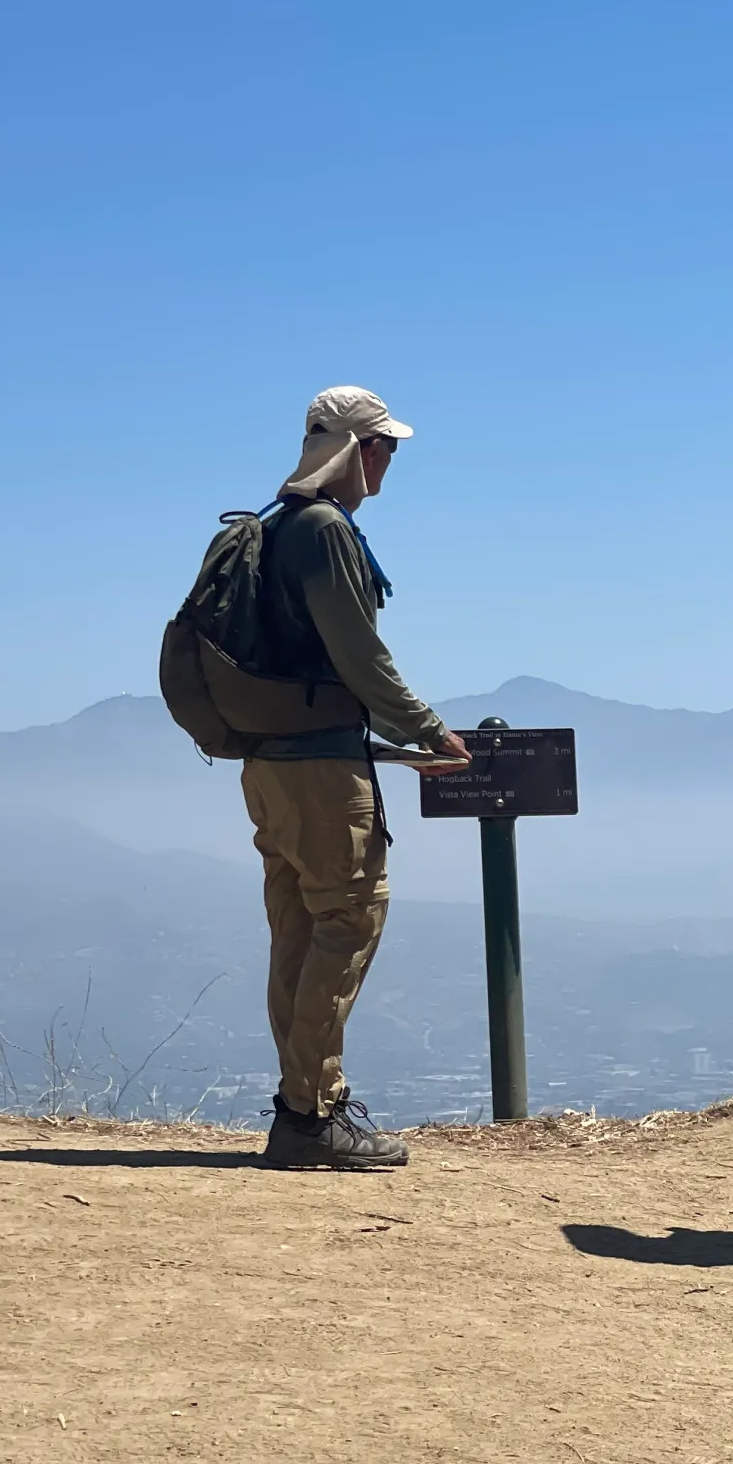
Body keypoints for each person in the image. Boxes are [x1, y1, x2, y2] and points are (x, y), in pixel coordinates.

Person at [246, 386, 469, 1171]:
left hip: (271, 766)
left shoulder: (275, 530)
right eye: (386, 447)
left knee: (299, 932)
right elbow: (358, 657)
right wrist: (425, 728)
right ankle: (311, 1114)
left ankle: (302, 1105)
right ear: (358, 449)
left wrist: (383, 743)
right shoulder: (327, 532)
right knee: (347, 922)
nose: (389, 462)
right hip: (320, 773)